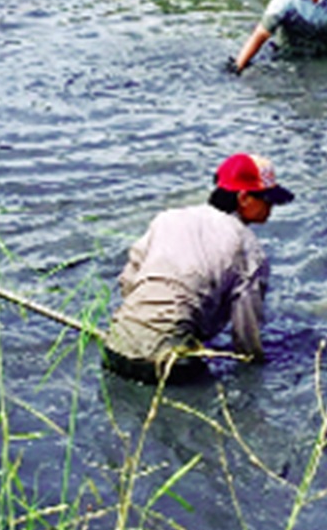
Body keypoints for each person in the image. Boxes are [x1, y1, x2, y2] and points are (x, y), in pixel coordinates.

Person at [102, 153, 291, 384]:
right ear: (243, 198)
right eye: (266, 200)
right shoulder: (249, 249)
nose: (271, 208)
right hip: (169, 365)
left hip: (114, 346)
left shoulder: (168, 219)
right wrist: (258, 367)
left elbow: (129, 282)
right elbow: (246, 335)